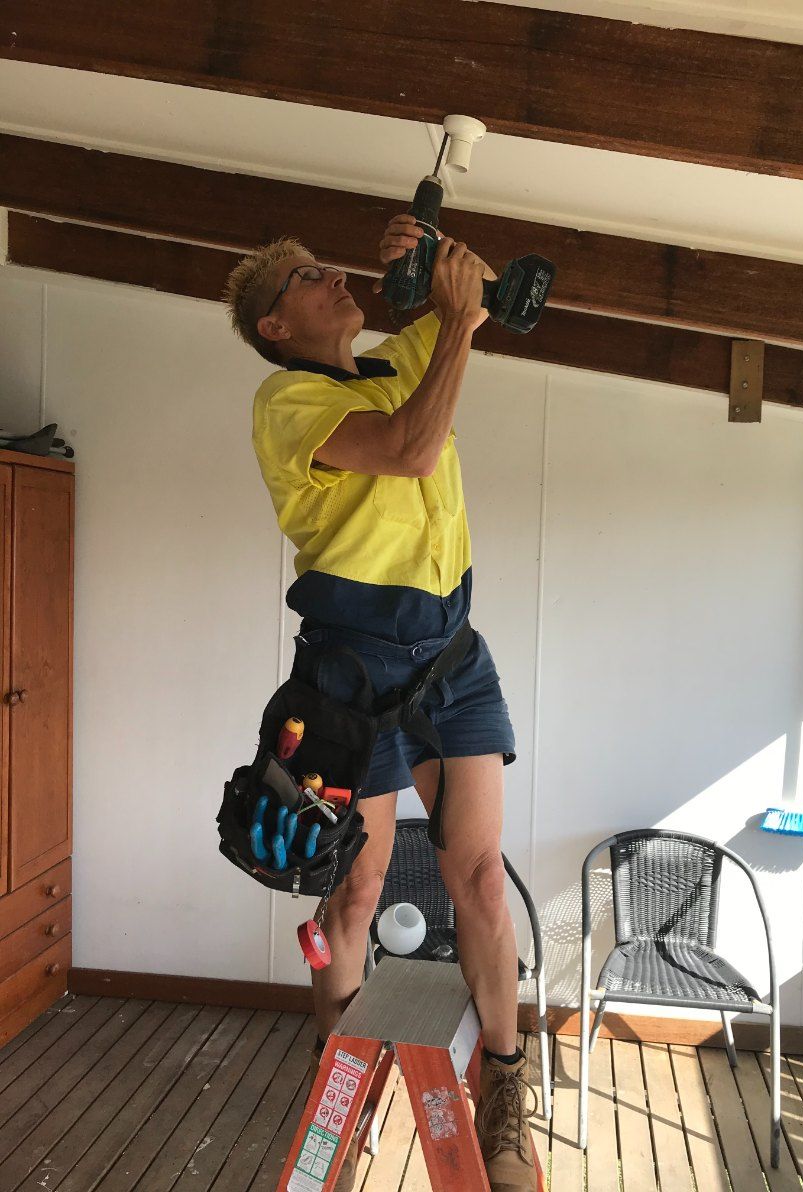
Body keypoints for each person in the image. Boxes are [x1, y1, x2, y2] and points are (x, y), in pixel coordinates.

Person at [224, 218, 538, 1191]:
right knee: (357, 890)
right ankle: (342, 1090)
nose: (335, 279)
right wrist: (451, 325)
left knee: (479, 879)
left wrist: (437, 248)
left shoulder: (401, 360)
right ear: (276, 325)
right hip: (350, 677)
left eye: (330, 266)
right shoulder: (287, 400)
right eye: (308, 278)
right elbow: (411, 447)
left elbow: (480, 292)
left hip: (451, 657)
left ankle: (505, 1093)